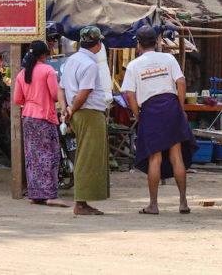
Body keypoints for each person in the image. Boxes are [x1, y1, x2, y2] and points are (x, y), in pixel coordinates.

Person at [122, 25, 198, 215]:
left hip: (150, 110)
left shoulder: (133, 65)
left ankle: (154, 205)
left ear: (138, 45)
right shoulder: (168, 58)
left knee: (154, 157)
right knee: (176, 156)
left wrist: (138, 114)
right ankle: (183, 202)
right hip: (171, 106)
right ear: (156, 43)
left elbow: (130, 94)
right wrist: (180, 107)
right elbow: (181, 82)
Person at [58, 26, 110, 216]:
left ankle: (83, 201)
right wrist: (71, 108)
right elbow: (84, 92)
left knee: (83, 155)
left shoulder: (72, 60)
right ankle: (81, 203)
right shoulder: (90, 64)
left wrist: (65, 108)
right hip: (88, 112)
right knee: (88, 157)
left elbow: (61, 88)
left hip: (77, 113)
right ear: (98, 44)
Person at [13, 40, 68, 208]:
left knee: (33, 156)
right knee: (50, 156)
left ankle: (35, 195)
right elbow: (54, 94)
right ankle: (51, 195)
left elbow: (17, 99)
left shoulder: (22, 74)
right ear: (44, 54)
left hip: (28, 117)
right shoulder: (48, 70)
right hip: (44, 117)